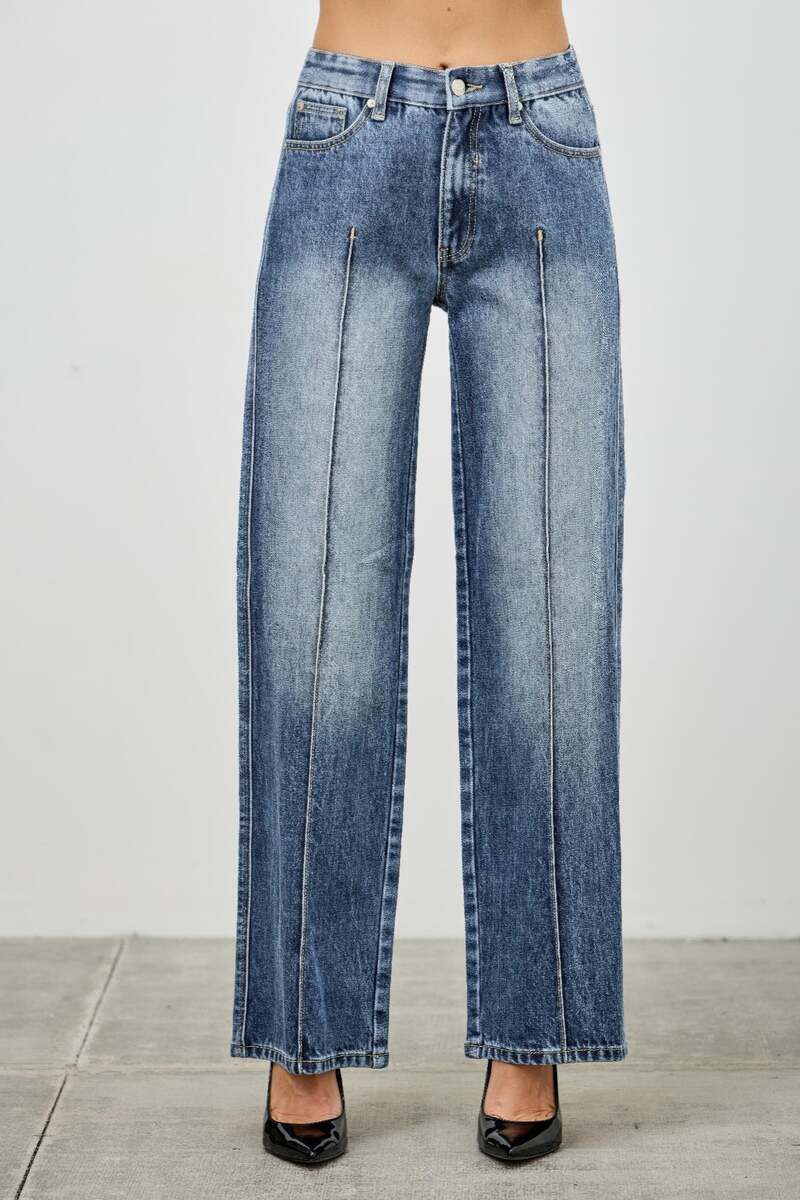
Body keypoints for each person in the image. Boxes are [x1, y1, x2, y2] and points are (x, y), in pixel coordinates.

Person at [231, 0, 627, 1164]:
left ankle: (532, 1026)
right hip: (349, 128)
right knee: (316, 609)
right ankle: (305, 1032)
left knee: (551, 613)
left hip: (539, 125)